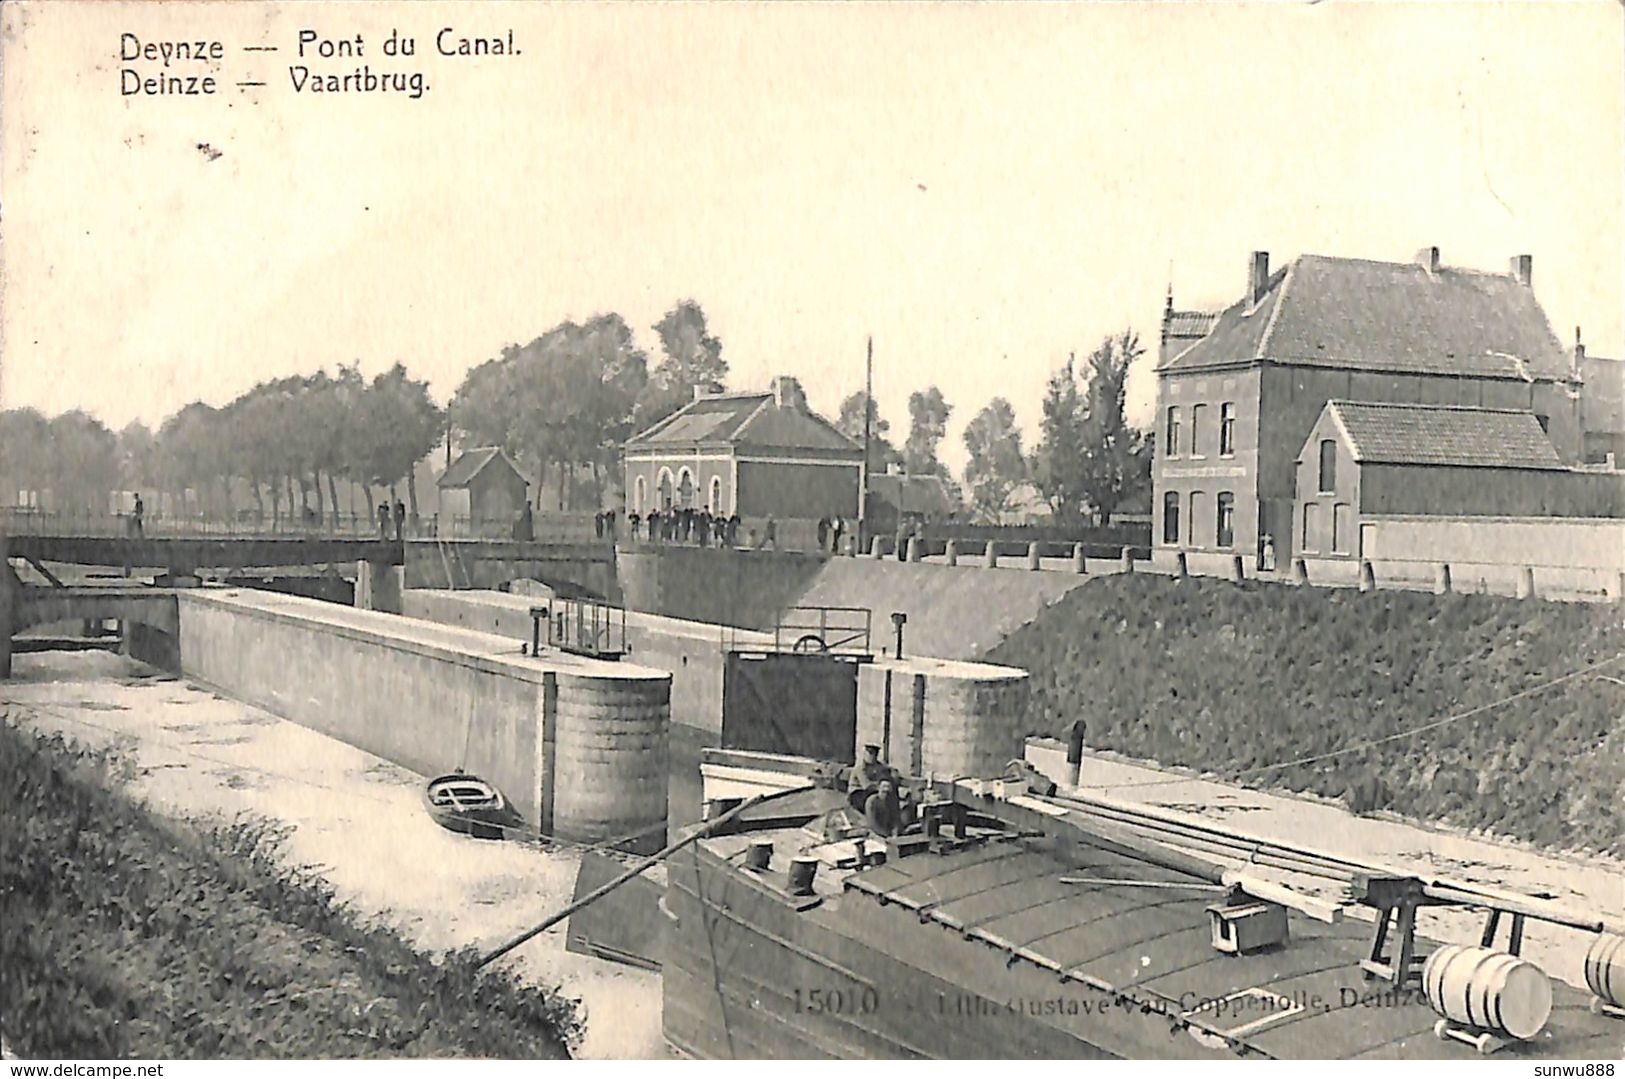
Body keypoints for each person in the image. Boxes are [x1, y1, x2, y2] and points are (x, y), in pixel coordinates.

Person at [847, 744, 892, 811]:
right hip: (857, 792)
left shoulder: (878, 766)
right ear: (865, 754)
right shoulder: (860, 767)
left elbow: (885, 774)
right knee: (871, 802)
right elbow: (866, 785)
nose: (872, 756)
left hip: (873, 791)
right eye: (870, 753)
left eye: (875, 754)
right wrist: (881, 786)